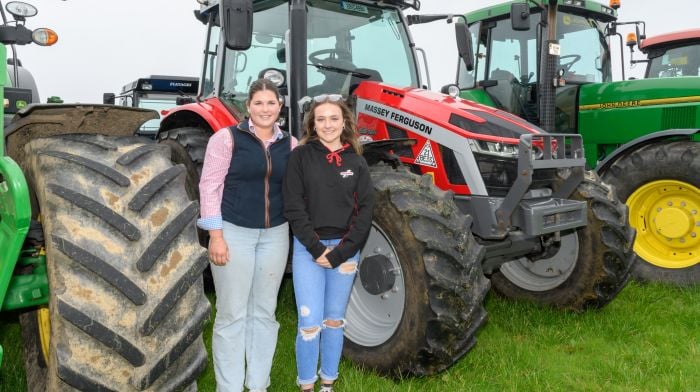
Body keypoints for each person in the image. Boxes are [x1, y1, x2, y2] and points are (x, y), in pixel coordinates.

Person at [198, 78, 297, 392]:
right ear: (248, 107)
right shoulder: (226, 139)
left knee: (265, 313)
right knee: (232, 312)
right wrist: (216, 235)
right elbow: (209, 187)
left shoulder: (290, 144)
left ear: (280, 107)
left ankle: (258, 385)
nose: (265, 109)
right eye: (259, 103)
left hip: (275, 235)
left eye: (271, 103)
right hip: (233, 232)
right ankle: (228, 387)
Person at [283, 94, 374, 392]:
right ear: (312, 124)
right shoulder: (301, 156)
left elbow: (365, 215)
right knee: (309, 323)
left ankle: (328, 384)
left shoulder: (357, 162)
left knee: (334, 320)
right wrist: (317, 249)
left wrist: (339, 254)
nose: (327, 125)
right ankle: (306, 385)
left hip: (345, 253)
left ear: (345, 122)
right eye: (320, 119)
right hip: (309, 249)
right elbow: (294, 206)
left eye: (334, 118)